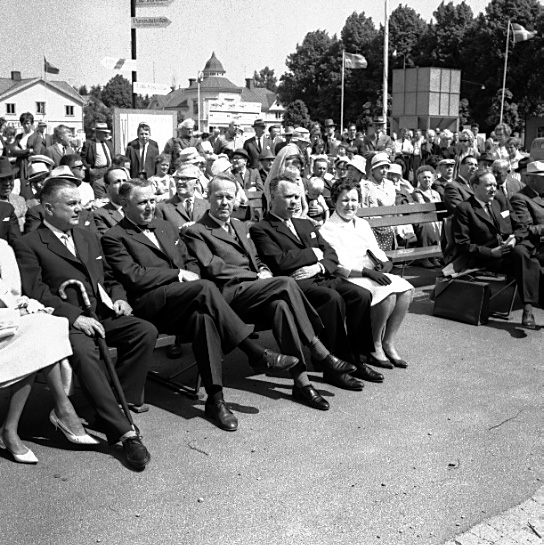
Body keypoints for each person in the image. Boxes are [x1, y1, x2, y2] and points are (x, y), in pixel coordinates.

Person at [101, 179, 302, 431]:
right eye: (142, 202)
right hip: (150, 303)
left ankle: (216, 400)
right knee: (205, 288)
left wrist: (190, 273)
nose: (150, 207)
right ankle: (254, 351)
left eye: (153, 200)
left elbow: (189, 261)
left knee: (203, 318)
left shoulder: (163, 226)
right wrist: (178, 275)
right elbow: (133, 276)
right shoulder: (114, 237)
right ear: (124, 204)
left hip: (184, 298)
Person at [13, 178, 157, 470]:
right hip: (64, 321)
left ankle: (108, 406)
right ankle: (125, 432)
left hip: (101, 311)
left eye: (80, 202)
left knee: (144, 331)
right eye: (71, 204)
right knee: (84, 352)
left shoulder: (87, 235)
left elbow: (108, 276)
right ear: (48, 208)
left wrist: (119, 299)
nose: (80, 209)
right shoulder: (29, 244)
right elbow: (36, 291)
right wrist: (75, 317)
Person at [184, 174, 361, 397]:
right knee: (286, 282)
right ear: (207, 197)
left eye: (229, 197)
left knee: (281, 307)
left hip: (255, 292)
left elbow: (256, 258)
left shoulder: (239, 225)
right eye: (219, 197)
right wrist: (256, 276)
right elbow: (214, 267)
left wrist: (264, 270)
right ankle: (318, 349)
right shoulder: (196, 231)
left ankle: (302, 383)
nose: (225, 202)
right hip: (228, 296)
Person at [250, 174, 382, 383]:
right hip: (296, 284)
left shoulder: (304, 224)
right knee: (331, 299)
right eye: (288, 197)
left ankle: (357, 359)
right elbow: (280, 262)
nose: (295, 202)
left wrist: (319, 266)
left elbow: (331, 255)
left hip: (321, 275)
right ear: (273, 198)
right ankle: (333, 367)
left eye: (297, 197)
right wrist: (314, 253)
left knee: (361, 295)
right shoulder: (261, 229)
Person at [0, 239, 97, 464]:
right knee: (36, 337)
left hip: (8, 324)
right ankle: (59, 411)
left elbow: (12, 295)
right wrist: (16, 315)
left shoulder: (2, 248)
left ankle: (55, 410)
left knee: (47, 324)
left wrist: (25, 305)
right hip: (4, 325)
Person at [320, 178, 414, 368]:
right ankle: (374, 345)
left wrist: (385, 262)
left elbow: (374, 249)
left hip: (371, 271)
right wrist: (366, 272)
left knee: (406, 290)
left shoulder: (362, 223)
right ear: (335, 201)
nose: (350, 205)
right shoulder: (328, 228)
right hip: (350, 276)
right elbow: (338, 263)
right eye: (345, 200)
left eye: (354, 200)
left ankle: (388, 342)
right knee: (387, 293)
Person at [453, 168, 541, 328]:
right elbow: (462, 244)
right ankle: (528, 308)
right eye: (488, 185)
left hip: (514, 249)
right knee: (530, 261)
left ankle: (528, 309)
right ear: (474, 187)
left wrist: (515, 239)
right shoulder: (465, 209)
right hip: (490, 257)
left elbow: (520, 226)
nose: (493, 189)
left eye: (494, 185)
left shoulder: (500, 200)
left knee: (524, 254)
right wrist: (491, 252)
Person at [155, 163, 209, 232]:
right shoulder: (162, 208)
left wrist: (198, 226)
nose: (179, 182)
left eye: (184, 178)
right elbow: (160, 234)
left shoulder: (207, 206)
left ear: (197, 183)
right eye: (177, 178)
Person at [264, 144, 308, 216]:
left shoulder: (299, 182)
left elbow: (305, 207)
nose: (293, 169)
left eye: (298, 168)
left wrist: (302, 218)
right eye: (290, 166)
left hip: (299, 217)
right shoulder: (281, 184)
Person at [364, 153, 396, 251]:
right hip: (375, 222)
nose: (384, 170)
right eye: (381, 167)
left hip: (391, 219)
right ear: (373, 170)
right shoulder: (367, 185)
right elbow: (368, 208)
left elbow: (392, 204)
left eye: (386, 167)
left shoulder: (390, 184)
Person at [412, 165, 443, 268]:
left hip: (434, 217)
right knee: (428, 224)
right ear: (419, 179)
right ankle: (424, 257)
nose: (427, 180)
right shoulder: (417, 192)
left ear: (433, 179)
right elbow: (423, 207)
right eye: (424, 177)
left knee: (442, 223)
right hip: (422, 219)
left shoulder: (435, 193)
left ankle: (433, 256)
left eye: (429, 177)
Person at [92, 168, 129, 236]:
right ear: (107, 187)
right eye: (117, 182)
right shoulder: (99, 215)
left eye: (124, 181)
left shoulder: (138, 208)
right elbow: (109, 239)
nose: (122, 185)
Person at [80, 123, 113, 199]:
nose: (106, 135)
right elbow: (82, 158)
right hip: (96, 171)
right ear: (98, 133)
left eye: (106, 133)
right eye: (104, 133)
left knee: (107, 190)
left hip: (108, 170)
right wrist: (89, 169)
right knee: (97, 191)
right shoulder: (89, 143)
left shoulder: (109, 143)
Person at [230, 148, 264, 221]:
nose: (234, 160)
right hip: (238, 211)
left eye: (237, 158)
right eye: (233, 158)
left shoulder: (254, 173)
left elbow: (261, 190)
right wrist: (249, 191)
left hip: (255, 209)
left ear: (245, 161)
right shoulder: (231, 174)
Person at [0, 157, 27, 232]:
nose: (7, 183)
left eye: (10, 178)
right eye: (1, 179)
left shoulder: (20, 200)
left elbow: (28, 223)